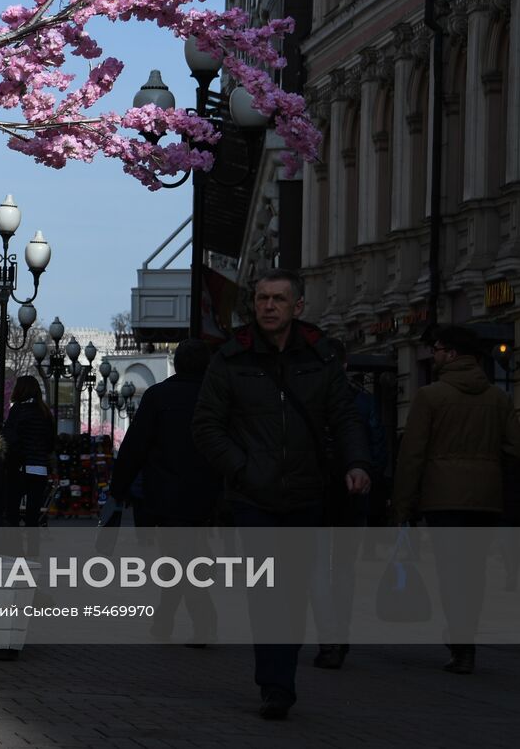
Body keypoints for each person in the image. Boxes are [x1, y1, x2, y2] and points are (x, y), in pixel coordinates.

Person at [191, 269, 371, 720]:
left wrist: (357, 463)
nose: (268, 306)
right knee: (268, 588)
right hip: (254, 496)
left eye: (277, 299)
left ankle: (279, 675)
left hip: (306, 492)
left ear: (298, 307)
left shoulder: (320, 356)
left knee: (291, 590)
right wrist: (242, 468)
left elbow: (344, 416)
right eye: (261, 299)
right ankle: (276, 685)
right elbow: (206, 426)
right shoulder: (232, 358)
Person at [392, 325, 520, 675]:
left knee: (451, 572)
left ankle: (460, 643)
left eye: (437, 349)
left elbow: (412, 455)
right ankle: (465, 640)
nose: (434, 355)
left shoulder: (431, 396)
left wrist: (402, 506)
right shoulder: (497, 398)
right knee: (474, 572)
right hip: (485, 499)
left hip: (442, 499)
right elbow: (518, 447)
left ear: (452, 354)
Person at [111, 339, 220, 645]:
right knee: (181, 558)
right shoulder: (216, 397)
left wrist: (118, 490)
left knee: (178, 560)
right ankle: (167, 618)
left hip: (168, 494)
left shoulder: (159, 396)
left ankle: (202, 622)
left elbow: (134, 447)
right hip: (207, 494)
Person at [310, 338, 388, 670]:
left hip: (313, 495)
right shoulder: (364, 402)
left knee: (315, 569)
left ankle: (329, 639)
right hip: (351, 495)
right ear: (344, 364)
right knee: (343, 569)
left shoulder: (305, 399)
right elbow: (378, 450)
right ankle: (339, 635)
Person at [1, 376, 56, 527]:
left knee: (12, 513)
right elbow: (51, 444)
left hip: (20, 469)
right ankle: (33, 550)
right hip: (40, 470)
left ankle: (15, 549)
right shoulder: (45, 412)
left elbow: (9, 439)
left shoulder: (18, 410)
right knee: (33, 517)